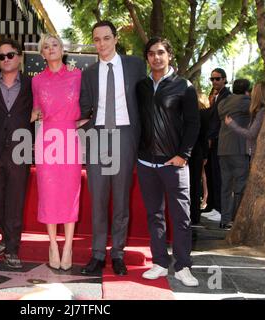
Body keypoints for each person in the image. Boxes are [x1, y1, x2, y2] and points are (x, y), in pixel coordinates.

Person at [80, 21, 147, 276]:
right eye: (96, 40)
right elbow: (85, 108)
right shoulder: (88, 73)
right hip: (98, 136)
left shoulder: (135, 65)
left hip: (125, 134)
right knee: (98, 198)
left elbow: (146, 101)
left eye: (106, 38)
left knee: (121, 198)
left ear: (115, 39)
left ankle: (118, 253)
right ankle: (98, 254)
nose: (101, 44)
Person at [137, 37, 200, 287]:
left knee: (181, 217)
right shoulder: (141, 86)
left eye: (161, 52)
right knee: (155, 215)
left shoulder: (184, 86)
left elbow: (194, 124)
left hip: (174, 164)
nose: (156, 57)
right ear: (147, 58)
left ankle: (183, 266)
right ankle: (160, 263)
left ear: (169, 55)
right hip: (145, 163)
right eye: (151, 53)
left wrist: (183, 155)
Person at [31, 34, 82, 271]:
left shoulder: (77, 76)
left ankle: (68, 245)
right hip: (47, 140)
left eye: (55, 45)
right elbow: (35, 111)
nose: (51, 49)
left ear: (62, 49)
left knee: (71, 192)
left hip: (70, 138)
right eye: (46, 47)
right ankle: (52, 244)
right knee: (49, 194)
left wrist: (78, 124)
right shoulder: (37, 81)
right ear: (42, 54)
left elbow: (90, 107)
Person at [0, 39, 33, 269]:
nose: (5, 60)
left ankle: (12, 247)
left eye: (10, 55)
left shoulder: (33, 84)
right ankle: (5, 236)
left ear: (20, 57)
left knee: (15, 200)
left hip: (20, 149)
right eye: (1, 56)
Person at [217, 79, 251, 230]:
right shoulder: (246, 101)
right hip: (238, 148)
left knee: (225, 186)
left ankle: (225, 220)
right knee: (240, 186)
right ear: (247, 90)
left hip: (223, 150)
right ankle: (236, 220)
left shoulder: (223, 103)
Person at [205, 68, 231, 213]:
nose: (214, 81)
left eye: (217, 78)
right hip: (212, 141)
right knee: (210, 173)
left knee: (218, 174)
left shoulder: (227, 96)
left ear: (224, 79)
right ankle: (211, 204)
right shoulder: (215, 96)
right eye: (212, 79)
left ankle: (219, 208)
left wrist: (211, 137)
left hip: (220, 141)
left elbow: (220, 120)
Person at [225, 81, 265, 158]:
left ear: (256, 94)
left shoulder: (262, 112)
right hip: (256, 152)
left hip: (257, 154)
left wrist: (232, 124)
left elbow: (251, 134)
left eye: (252, 91)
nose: (250, 94)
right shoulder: (260, 111)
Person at [189, 93, 211, 225]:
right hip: (197, 153)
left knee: (190, 185)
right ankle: (194, 215)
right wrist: (205, 155)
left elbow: (204, 136)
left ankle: (192, 214)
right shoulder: (203, 114)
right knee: (195, 184)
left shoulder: (197, 114)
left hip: (191, 152)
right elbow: (205, 137)